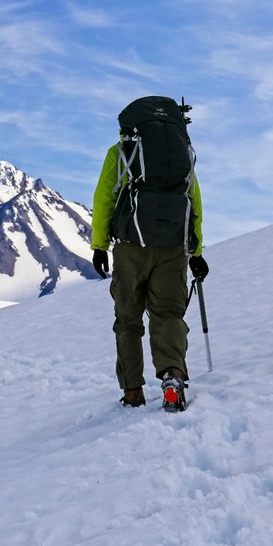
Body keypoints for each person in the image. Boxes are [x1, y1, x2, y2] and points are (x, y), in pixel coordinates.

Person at [90, 97, 209, 410]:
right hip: (173, 246)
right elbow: (193, 199)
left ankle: (132, 391)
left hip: (131, 246)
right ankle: (172, 375)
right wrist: (196, 250)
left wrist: (99, 245)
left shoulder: (121, 154)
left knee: (128, 320)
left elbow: (104, 198)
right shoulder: (181, 156)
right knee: (168, 314)